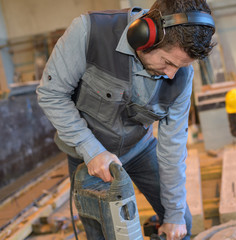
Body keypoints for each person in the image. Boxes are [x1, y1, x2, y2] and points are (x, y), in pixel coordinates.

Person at [36, 0, 215, 239]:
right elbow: (51, 94)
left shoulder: (182, 74)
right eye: (168, 62)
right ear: (145, 36)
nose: (172, 74)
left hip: (139, 149)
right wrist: (92, 151)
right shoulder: (90, 33)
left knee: (181, 223)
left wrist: (173, 216)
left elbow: (173, 147)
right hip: (87, 155)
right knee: (101, 233)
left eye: (180, 67)